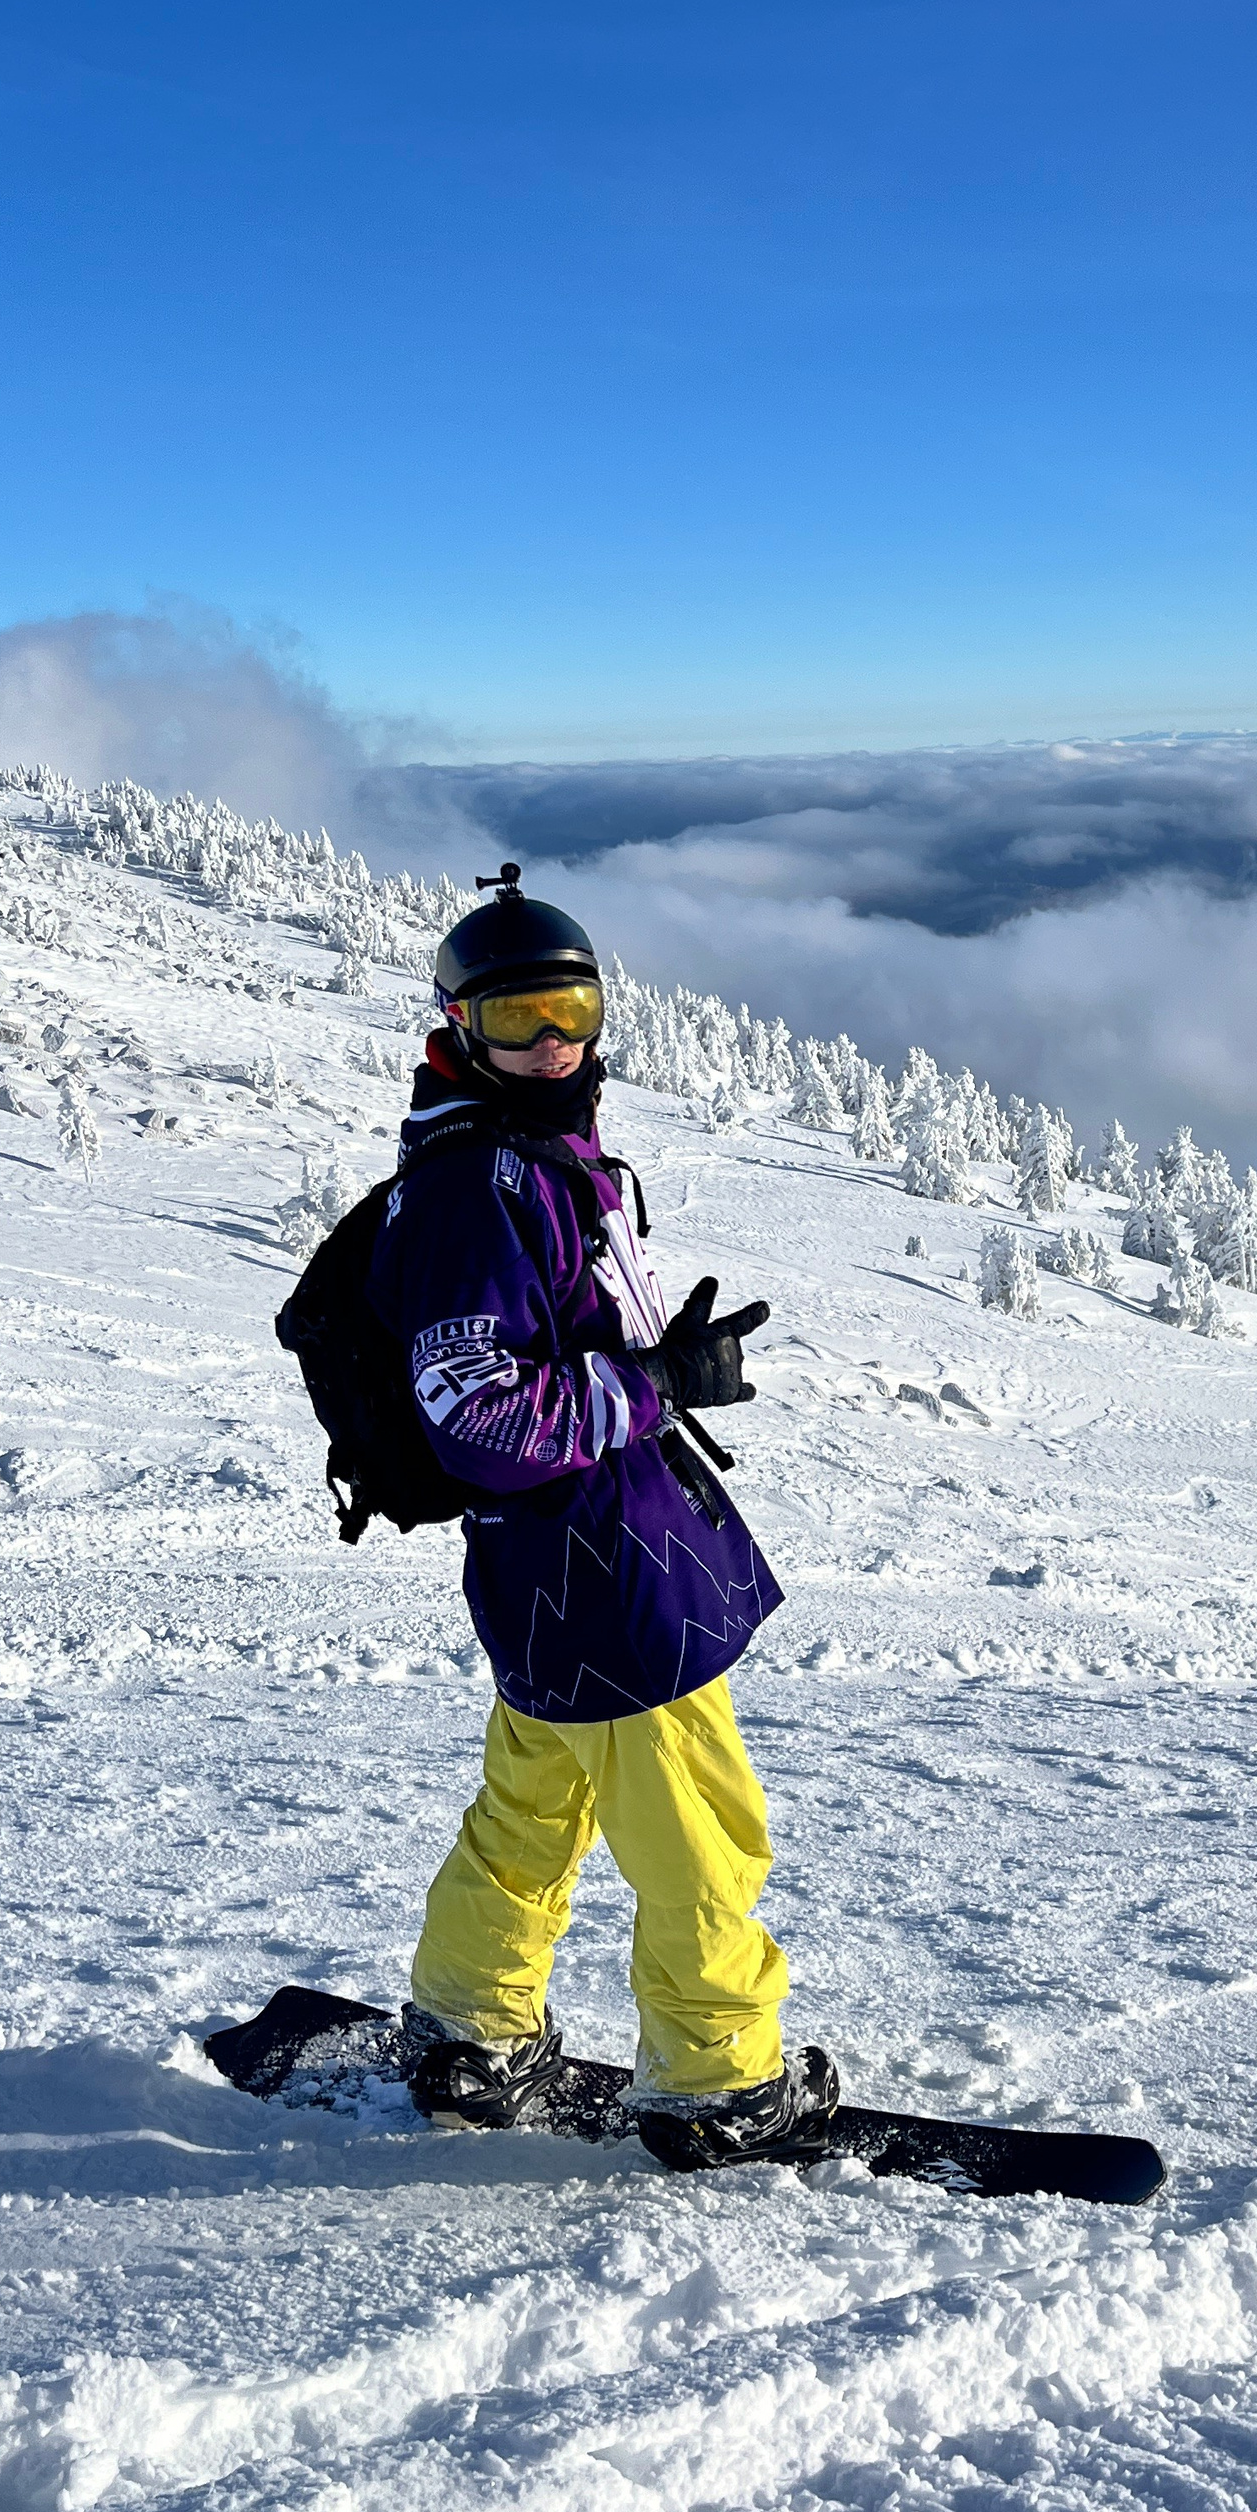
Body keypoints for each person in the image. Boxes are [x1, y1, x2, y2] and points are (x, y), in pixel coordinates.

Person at [369, 865, 837, 2161]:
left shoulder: (526, 1162)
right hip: (612, 1574)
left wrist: (650, 1350)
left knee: (532, 1812)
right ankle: (719, 2073)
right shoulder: (481, 1186)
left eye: (570, 1008)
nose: (551, 1042)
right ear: (460, 1026)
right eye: (517, 1020)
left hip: (551, 1574)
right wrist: (651, 1384)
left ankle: (471, 2028)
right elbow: (477, 1408)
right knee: (702, 1830)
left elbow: (542, 1347)